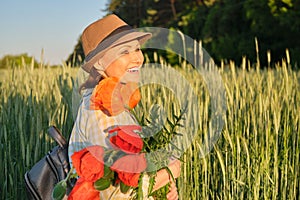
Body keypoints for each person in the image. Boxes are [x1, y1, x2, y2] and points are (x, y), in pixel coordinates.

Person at [68, 14, 181, 200]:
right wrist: (167, 173)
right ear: (98, 62)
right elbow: (111, 191)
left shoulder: (115, 102)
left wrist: (164, 190)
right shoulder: (99, 109)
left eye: (137, 49)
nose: (137, 58)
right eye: (124, 52)